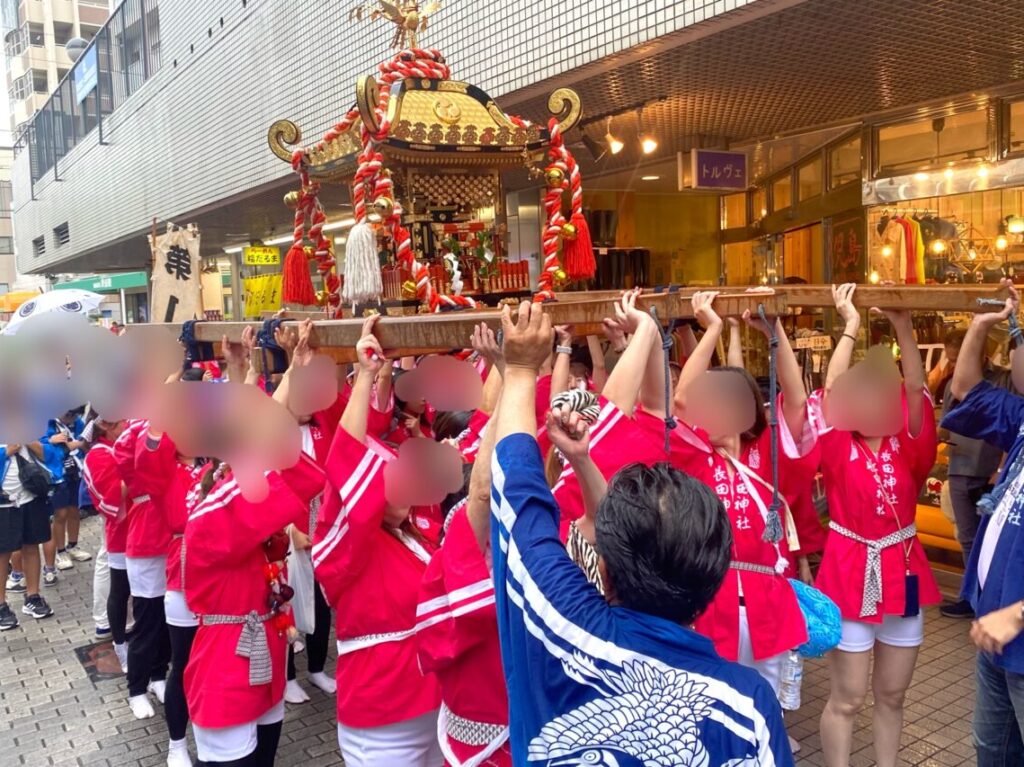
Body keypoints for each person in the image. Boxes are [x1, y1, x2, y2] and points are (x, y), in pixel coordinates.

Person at [488, 300, 793, 766]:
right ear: (714, 576)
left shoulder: (556, 622)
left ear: (603, 566)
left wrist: (520, 369)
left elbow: (517, 490)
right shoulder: (747, 705)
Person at [814, 284, 940, 767]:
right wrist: (849, 324)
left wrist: (903, 327)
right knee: (846, 699)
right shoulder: (835, 442)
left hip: (904, 573)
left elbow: (915, 387)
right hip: (849, 571)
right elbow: (831, 388)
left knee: (892, 697)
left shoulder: (910, 447)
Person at [313, 315, 443, 767]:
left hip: (436, 708)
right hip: (383, 719)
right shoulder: (350, 549)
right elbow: (345, 469)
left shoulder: (417, 535)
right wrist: (366, 371)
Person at [673, 293, 812, 706]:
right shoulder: (691, 455)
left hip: (769, 600)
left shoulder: (769, 453)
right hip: (707, 599)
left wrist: (777, 334)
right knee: (710, 709)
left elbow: (798, 399)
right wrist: (712, 328)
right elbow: (680, 400)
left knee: (764, 708)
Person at [183, 452, 323, 767]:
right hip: (226, 668)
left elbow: (310, 480)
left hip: (267, 661)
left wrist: (273, 438)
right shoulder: (206, 527)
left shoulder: (257, 545)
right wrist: (248, 446)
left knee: (265, 759)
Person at [941, 280, 1024, 766]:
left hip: (1014, 630)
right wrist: (978, 326)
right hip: (994, 638)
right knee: (992, 751)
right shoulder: (1020, 418)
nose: (1015, 359)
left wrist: (1014, 615)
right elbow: (966, 388)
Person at [136, 426, 209, 767]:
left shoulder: (215, 468)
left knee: (215, 664)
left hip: (222, 577)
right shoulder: (165, 473)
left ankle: (215, 736)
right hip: (182, 574)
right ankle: (176, 745)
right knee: (182, 665)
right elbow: (146, 457)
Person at [934, 326, 1010, 619]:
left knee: (989, 540)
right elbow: (945, 425)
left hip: (989, 473)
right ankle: (971, 597)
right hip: (959, 467)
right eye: (952, 359)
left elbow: (1013, 429)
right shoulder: (955, 383)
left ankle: (990, 598)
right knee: (967, 537)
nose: (956, 365)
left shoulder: (1000, 384)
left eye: (959, 358)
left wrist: (1002, 468)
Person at [114, 418, 173, 720]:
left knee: (168, 620)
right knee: (147, 622)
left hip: (174, 543)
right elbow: (132, 459)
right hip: (147, 545)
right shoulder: (136, 432)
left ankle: (159, 676)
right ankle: (136, 689)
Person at [82, 418, 131, 673]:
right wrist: (139, 471)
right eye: (121, 422)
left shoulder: (118, 446)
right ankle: (112, 631)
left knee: (137, 590)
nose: (127, 424)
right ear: (108, 428)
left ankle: (128, 625)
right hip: (121, 528)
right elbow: (111, 495)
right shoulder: (99, 455)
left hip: (140, 524)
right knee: (118, 583)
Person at [0, 441, 55, 629]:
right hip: (3, 500)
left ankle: (33, 596)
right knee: (2, 553)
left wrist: (28, 440)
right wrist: (6, 452)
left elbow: (46, 454)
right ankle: (1, 606)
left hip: (30, 493)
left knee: (31, 546)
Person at [41, 408, 91, 585]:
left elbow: (84, 440)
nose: (70, 419)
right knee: (59, 514)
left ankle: (73, 545)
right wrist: (51, 440)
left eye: (74, 416)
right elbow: (39, 444)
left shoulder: (77, 422)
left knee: (74, 510)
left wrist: (77, 444)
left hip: (75, 470)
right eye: (68, 415)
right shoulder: (47, 421)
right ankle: (60, 552)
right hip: (57, 473)